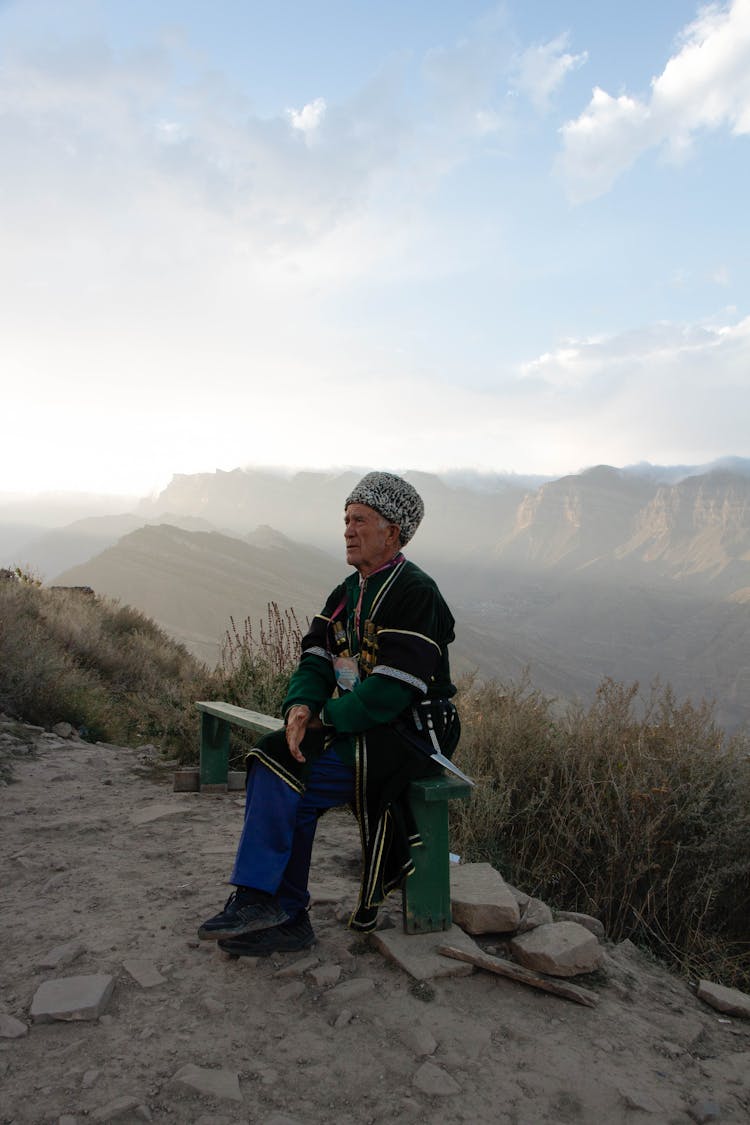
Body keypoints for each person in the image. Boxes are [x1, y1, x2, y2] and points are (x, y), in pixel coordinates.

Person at [198, 471, 460, 955]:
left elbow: (395, 687)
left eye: (360, 520)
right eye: (346, 519)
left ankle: (278, 907)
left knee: (292, 777)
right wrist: (300, 705)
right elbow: (316, 655)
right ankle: (274, 906)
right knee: (275, 753)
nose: (347, 529)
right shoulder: (347, 591)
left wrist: (328, 719)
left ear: (392, 533)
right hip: (359, 721)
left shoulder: (415, 591)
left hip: (411, 731)